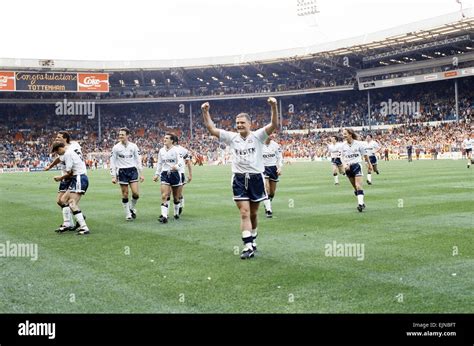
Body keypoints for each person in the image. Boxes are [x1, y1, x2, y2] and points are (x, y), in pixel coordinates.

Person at [201, 97, 278, 259]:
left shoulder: (258, 136)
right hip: (239, 179)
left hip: (256, 178)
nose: (239, 125)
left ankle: (253, 237)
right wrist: (205, 112)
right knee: (244, 212)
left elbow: (274, 125)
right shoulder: (231, 137)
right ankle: (247, 245)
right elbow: (211, 129)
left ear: (250, 124)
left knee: (254, 214)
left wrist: (274, 106)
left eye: (242, 122)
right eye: (237, 123)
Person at [44, 131, 82, 232]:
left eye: (59, 137)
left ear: (65, 138)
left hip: (71, 176)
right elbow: (58, 159)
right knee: (59, 201)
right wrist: (50, 166)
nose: (57, 139)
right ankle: (75, 218)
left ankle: (69, 223)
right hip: (64, 176)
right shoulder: (60, 149)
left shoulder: (73, 146)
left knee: (67, 201)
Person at [51, 141, 90, 235]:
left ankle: (84, 227)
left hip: (79, 178)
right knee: (63, 199)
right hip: (77, 178)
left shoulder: (68, 154)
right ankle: (67, 223)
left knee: (72, 203)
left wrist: (60, 178)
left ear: (60, 149)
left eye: (57, 152)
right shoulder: (70, 152)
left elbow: (70, 172)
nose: (57, 154)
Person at [110, 128, 144, 221]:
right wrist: (113, 176)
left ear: (127, 135)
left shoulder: (133, 146)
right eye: (120, 134)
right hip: (122, 171)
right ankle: (128, 214)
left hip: (132, 170)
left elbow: (138, 159)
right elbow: (112, 162)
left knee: (136, 194)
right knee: (125, 194)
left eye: (122, 134)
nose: (120, 136)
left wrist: (141, 173)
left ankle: (131, 208)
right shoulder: (116, 147)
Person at [152, 133, 184, 223]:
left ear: (172, 141)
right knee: (164, 195)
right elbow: (159, 163)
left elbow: (181, 161)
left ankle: (176, 213)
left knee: (176, 197)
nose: (164, 139)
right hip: (165, 174)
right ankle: (164, 216)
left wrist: (176, 166)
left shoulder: (176, 150)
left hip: (175, 174)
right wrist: (157, 174)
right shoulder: (161, 150)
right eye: (164, 138)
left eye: (167, 138)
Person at [340, 128, 372, 212]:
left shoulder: (359, 144)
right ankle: (362, 202)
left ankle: (360, 205)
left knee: (358, 186)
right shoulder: (343, 145)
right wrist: (344, 164)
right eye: (343, 134)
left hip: (357, 165)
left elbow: (365, 155)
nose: (344, 135)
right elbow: (341, 157)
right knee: (355, 188)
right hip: (348, 168)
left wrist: (369, 164)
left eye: (345, 134)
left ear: (350, 134)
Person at [170, 134, 192, 217]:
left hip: (180, 173)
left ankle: (179, 207)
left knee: (177, 193)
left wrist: (190, 174)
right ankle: (169, 211)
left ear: (174, 141)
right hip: (170, 173)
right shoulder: (167, 149)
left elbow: (188, 162)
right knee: (172, 192)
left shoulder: (182, 150)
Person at [262, 135, 283, 218]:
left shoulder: (275, 145)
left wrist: (280, 167)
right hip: (263, 168)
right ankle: (268, 210)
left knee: (272, 192)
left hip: (273, 168)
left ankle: (267, 202)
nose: (272, 135)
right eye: (270, 133)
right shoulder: (259, 144)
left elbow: (280, 157)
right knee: (266, 189)